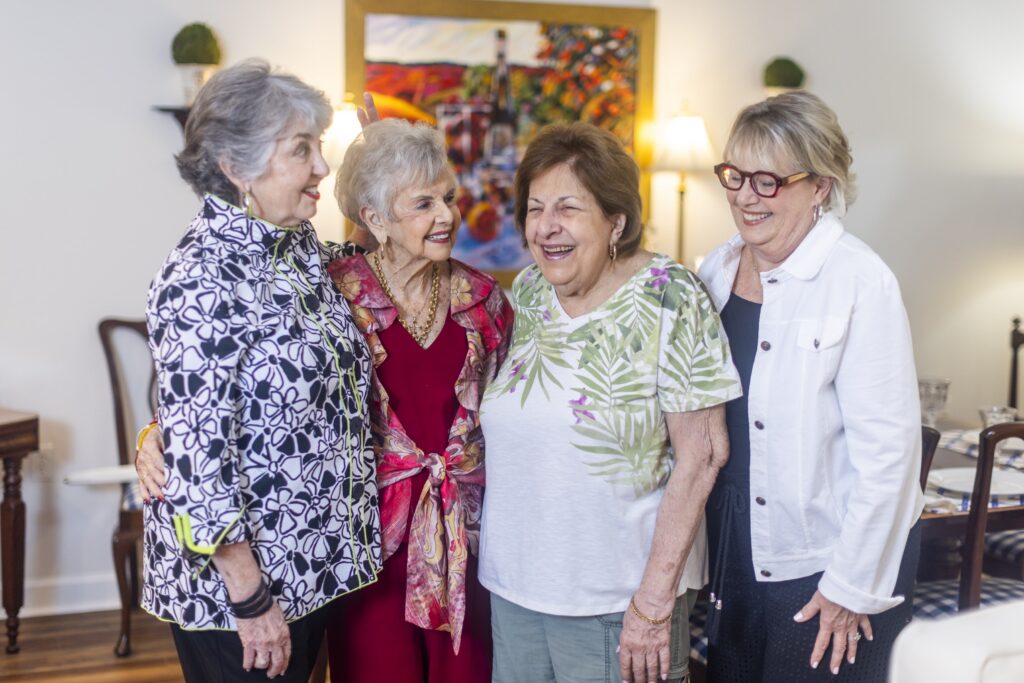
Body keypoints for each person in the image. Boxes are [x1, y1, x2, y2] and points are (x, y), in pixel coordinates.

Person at [139, 60, 381, 682]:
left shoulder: (294, 247)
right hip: (242, 594)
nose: (320, 168)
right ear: (235, 166)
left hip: (311, 564)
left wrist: (379, 174)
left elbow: (366, 260)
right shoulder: (198, 278)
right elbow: (200, 463)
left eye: (319, 147)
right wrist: (251, 599)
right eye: (302, 149)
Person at [477, 122, 741, 683]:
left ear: (615, 221)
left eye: (568, 208)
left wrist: (651, 603)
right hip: (515, 588)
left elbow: (703, 458)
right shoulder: (528, 291)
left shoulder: (671, 294)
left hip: (618, 602)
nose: (546, 227)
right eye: (534, 208)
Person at [698, 90, 922, 681]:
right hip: (735, 552)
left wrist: (849, 587)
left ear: (820, 186)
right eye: (735, 175)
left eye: (769, 181)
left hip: (826, 563)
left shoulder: (859, 281)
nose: (746, 196)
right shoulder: (713, 272)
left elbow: (890, 457)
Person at [324, 118, 513, 681]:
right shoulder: (335, 298)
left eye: (449, 199)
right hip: (370, 545)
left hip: (466, 540)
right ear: (376, 219)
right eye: (424, 203)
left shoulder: (484, 301)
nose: (447, 216)